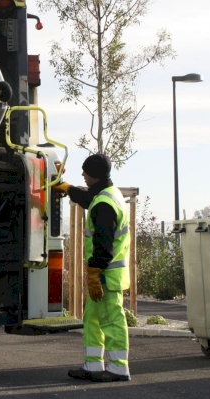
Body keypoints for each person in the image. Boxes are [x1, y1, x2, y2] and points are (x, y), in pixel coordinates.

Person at [53, 153, 131, 383]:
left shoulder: (104, 205)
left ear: (93, 174)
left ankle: (118, 369)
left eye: (84, 171)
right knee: (93, 320)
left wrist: (95, 272)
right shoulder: (106, 195)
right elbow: (88, 198)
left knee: (112, 321)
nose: (82, 175)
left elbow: (104, 245)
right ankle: (93, 366)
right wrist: (67, 188)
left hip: (106, 275)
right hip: (105, 275)